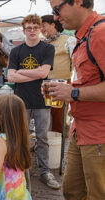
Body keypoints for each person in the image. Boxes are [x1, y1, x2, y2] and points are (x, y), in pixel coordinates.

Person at [47, 0, 105, 199]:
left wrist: (72, 93)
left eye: (57, 9)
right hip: (80, 129)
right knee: (72, 190)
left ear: (79, 2)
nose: (55, 17)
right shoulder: (84, 35)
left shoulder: (100, 33)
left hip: (99, 134)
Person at [7, 14, 60, 190]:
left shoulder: (47, 49)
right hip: (20, 100)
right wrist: (32, 73)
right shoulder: (16, 51)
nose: (32, 31)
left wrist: (21, 72)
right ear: (24, 30)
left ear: (40, 29)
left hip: (41, 99)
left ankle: (45, 171)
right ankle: (20, 169)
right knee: (19, 136)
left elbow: (43, 74)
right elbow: (10, 76)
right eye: (28, 28)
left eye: (35, 28)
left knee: (42, 137)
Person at [41, 14, 76, 134]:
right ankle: (46, 143)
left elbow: (77, 64)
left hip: (61, 83)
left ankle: (57, 145)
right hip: (44, 84)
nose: (41, 29)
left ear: (53, 25)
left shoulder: (68, 41)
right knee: (44, 118)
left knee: (57, 119)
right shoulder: (42, 44)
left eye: (43, 25)